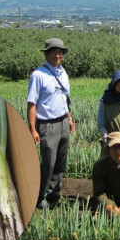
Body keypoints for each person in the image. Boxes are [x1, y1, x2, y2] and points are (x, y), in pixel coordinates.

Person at [27, 38, 75, 210]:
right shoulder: (38, 75)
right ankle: (40, 196)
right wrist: (33, 129)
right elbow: (31, 104)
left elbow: (64, 98)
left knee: (61, 162)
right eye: (53, 52)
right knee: (48, 163)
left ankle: (54, 193)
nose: (57, 55)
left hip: (63, 122)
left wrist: (69, 117)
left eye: (60, 52)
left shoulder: (63, 72)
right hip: (47, 125)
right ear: (46, 54)